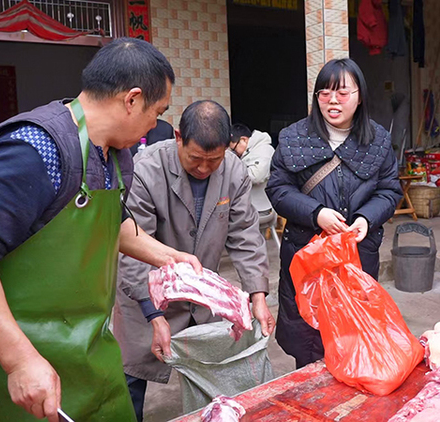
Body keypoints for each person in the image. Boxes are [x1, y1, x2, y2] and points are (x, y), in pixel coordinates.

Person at [0, 38, 202, 421]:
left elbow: (113, 222)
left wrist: (169, 256)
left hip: (82, 345)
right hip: (2, 354)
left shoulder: (114, 153)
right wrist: (19, 360)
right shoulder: (35, 149)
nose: (154, 125)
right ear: (132, 100)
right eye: (157, 112)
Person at [112, 101, 276, 422]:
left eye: (213, 160)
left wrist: (258, 296)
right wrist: (153, 315)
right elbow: (129, 246)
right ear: (178, 137)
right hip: (143, 294)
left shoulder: (233, 170)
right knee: (129, 382)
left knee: (214, 385)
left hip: (200, 298)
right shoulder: (146, 169)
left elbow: (245, 235)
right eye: (196, 159)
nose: (204, 168)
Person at [265, 58, 402, 369]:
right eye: (324, 93)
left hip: (356, 256)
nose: (332, 101)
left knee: (354, 337)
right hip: (306, 256)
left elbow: (390, 190)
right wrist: (317, 214)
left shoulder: (378, 140)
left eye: (342, 92)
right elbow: (279, 189)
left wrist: (366, 218)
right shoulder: (293, 138)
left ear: (360, 96)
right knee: (309, 341)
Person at [229, 123, 275, 220]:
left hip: (260, 209)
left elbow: (256, 176)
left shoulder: (263, 151)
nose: (235, 153)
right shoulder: (252, 151)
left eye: (234, 149)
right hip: (251, 206)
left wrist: (230, 173)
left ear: (244, 140)